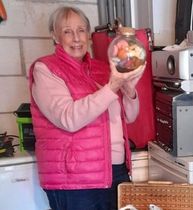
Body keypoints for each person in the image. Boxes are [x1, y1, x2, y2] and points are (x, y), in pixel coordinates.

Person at [28, 6, 145, 210]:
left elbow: (129, 117)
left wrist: (130, 90)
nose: (76, 38)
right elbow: (68, 118)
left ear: (88, 36)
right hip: (76, 178)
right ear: (55, 36)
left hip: (116, 171)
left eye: (81, 30)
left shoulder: (102, 69)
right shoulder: (45, 69)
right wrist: (113, 87)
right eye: (67, 31)